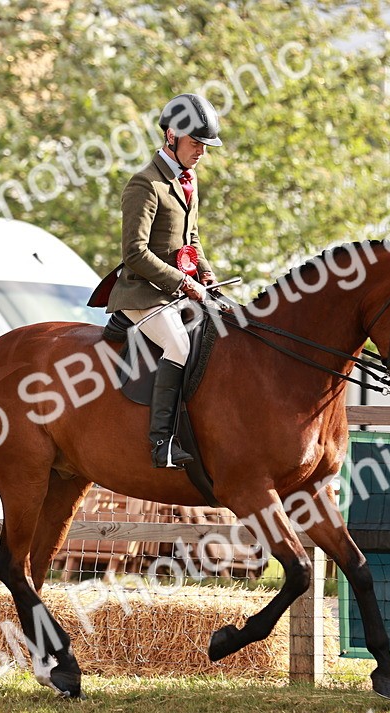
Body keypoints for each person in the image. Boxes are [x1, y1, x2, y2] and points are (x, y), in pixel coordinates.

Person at [104, 92, 223, 469]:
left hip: (176, 290)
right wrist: (185, 284)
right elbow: (135, 254)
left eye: (205, 145)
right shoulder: (145, 184)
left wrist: (205, 272)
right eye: (195, 142)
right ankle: (162, 443)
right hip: (143, 292)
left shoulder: (189, 180)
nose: (201, 151)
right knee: (178, 345)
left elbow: (192, 237)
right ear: (171, 135)